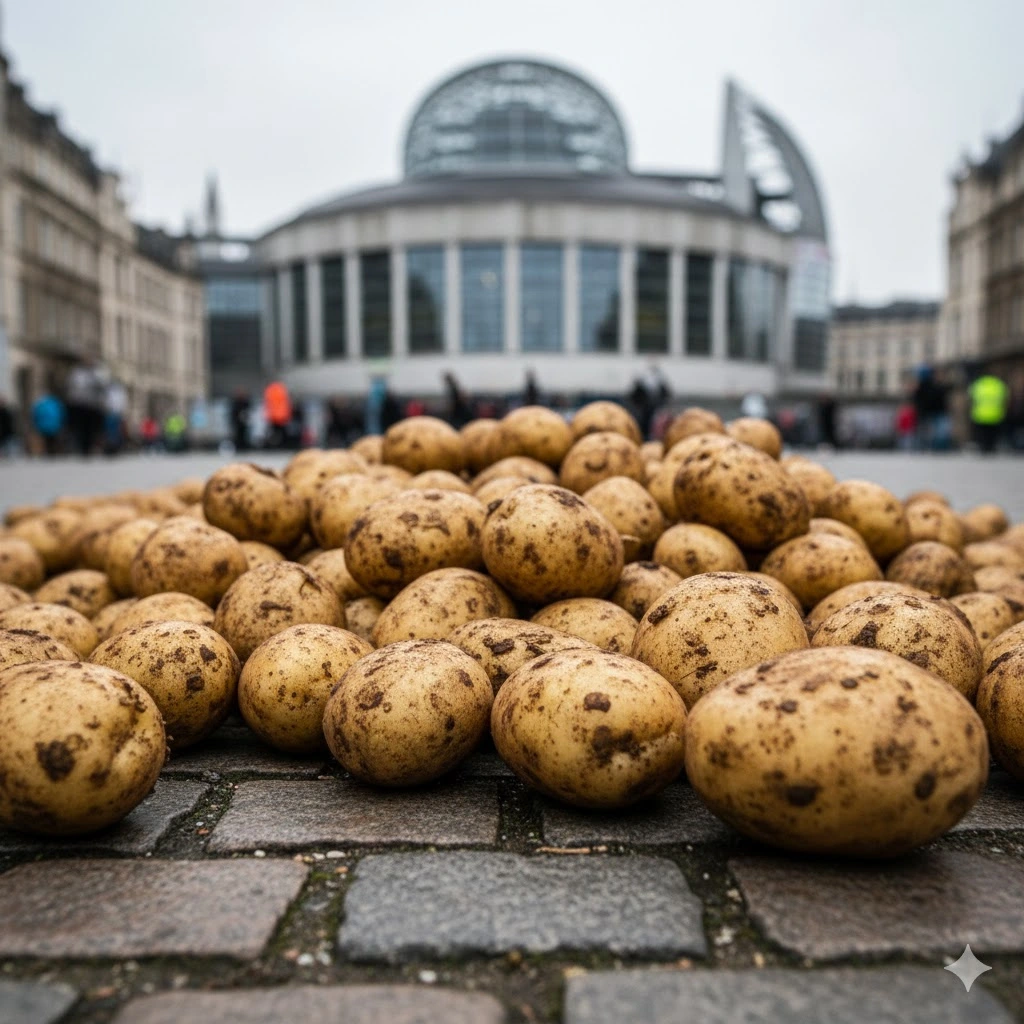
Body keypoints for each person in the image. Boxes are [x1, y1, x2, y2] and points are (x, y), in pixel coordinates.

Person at [969, 371, 1009, 454]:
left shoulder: (978, 384)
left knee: (982, 434)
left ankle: (984, 447)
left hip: (980, 414)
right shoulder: (998, 384)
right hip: (995, 414)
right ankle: (991, 447)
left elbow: (971, 398)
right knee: (993, 433)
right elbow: (1005, 398)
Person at [264, 381, 292, 449]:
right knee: (281, 432)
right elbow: (286, 404)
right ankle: (282, 445)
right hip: (281, 416)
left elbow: (268, 404)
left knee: (274, 432)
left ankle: (274, 445)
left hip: (273, 416)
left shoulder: (269, 390)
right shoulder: (282, 390)